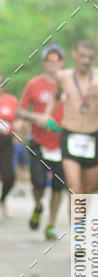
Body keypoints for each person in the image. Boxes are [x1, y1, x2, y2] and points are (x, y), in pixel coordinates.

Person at [42, 38, 98, 198]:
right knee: (74, 187)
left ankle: (82, 221)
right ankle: (76, 224)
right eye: (83, 56)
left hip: (92, 136)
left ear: (94, 58)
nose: (86, 61)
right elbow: (55, 97)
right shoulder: (63, 76)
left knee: (88, 189)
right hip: (70, 134)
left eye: (90, 58)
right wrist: (46, 115)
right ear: (74, 55)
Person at [18, 44, 66, 240]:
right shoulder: (34, 84)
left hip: (63, 143)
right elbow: (19, 110)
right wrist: (36, 118)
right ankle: (38, 205)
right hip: (38, 141)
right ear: (43, 62)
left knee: (58, 186)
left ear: (62, 62)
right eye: (49, 60)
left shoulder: (69, 84)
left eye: (56, 60)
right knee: (38, 183)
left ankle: (52, 224)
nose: (53, 64)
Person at [0, 77, 19, 217]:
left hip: (6, 141)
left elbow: (18, 119)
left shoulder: (11, 100)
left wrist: (19, 131)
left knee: (9, 177)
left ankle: (3, 200)